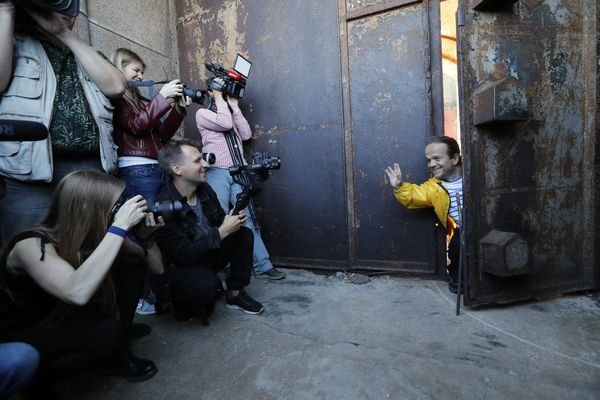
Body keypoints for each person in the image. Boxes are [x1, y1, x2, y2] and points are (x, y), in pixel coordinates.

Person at [0, 170, 164, 396]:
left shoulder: (98, 233)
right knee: (106, 333)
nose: (118, 212)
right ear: (90, 209)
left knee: (132, 265)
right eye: (114, 206)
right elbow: (77, 292)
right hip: (23, 331)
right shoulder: (30, 243)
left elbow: (154, 267)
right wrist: (118, 227)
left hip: (60, 314)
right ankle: (37, 380)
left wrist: (146, 237)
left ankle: (117, 349)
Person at [0, 0, 126, 245]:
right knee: (32, 254)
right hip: (29, 175)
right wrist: (5, 9)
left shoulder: (86, 54)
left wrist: (63, 33)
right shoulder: (14, 42)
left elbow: (117, 86)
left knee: (93, 247)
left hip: (91, 170)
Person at [111, 47, 190, 316]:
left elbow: (161, 135)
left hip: (151, 168)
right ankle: (143, 295)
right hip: (136, 170)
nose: (140, 75)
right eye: (135, 70)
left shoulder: (138, 98)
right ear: (119, 69)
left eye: (142, 71)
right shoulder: (117, 98)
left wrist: (177, 109)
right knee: (143, 231)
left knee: (159, 227)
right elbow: (136, 126)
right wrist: (161, 98)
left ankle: (160, 291)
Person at [155, 139, 265, 320]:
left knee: (242, 234)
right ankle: (180, 301)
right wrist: (222, 231)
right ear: (177, 169)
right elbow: (183, 255)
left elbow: (220, 221)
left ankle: (235, 295)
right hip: (184, 266)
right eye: (198, 161)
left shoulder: (204, 189)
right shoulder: (164, 206)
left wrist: (232, 221)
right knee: (206, 288)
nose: (206, 164)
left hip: (207, 252)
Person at [195, 82, 285, 280]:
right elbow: (225, 124)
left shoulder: (228, 113)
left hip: (238, 171)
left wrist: (234, 107)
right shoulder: (203, 113)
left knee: (247, 218)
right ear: (210, 92)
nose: (224, 94)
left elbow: (246, 134)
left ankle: (263, 265)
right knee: (219, 218)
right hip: (217, 172)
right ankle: (223, 264)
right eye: (219, 91)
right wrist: (218, 98)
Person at [385, 136, 463, 293]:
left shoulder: (475, 174)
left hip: (484, 225)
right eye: (428, 160)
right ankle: (457, 276)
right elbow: (415, 195)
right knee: (457, 245)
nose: (431, 164)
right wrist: (399, 186)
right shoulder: (433, 188)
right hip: (461, 230)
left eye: (436, 158)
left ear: (454, 158)